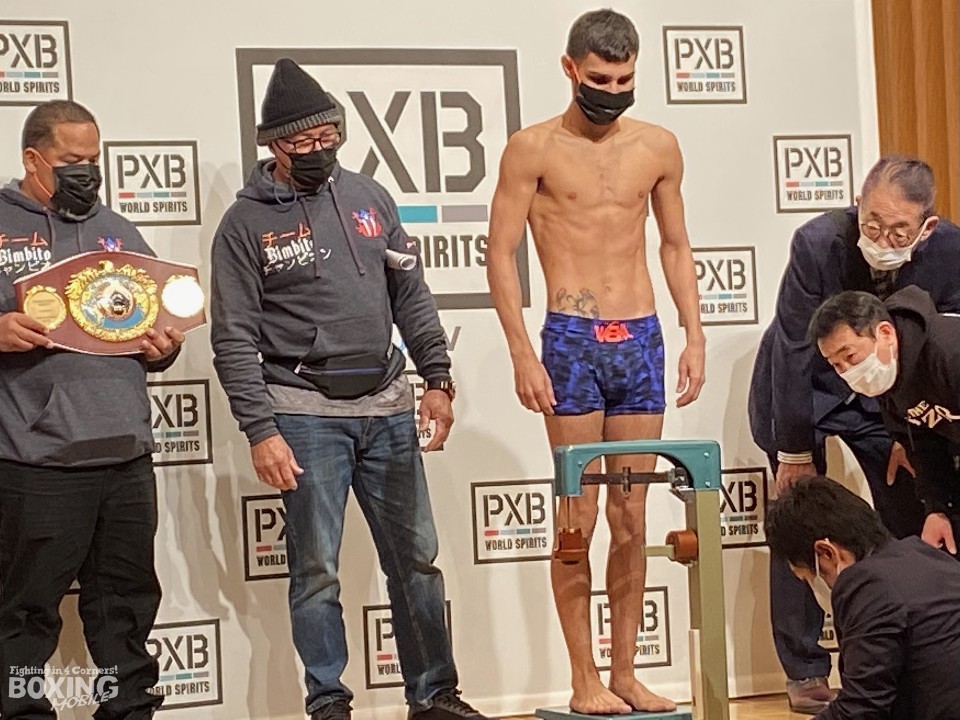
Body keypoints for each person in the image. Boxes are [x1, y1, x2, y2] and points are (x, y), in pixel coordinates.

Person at [210, 59, 487, 720]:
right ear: (273, 145)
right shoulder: (243, 225)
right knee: (316, 571)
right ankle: (329, 703)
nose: (317, 150)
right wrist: (261, 430)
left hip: (388, 405)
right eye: (301, 141)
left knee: (417, 561)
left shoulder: (371, 199)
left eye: (326, 136)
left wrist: (438, 380)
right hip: (302, 413)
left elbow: (411, 295)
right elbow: (233, 337)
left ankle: (434, 695)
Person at [486, 9, 704, 714]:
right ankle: (583, 679)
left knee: (633, 514)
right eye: (600, 78)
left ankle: (626, 672)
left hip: (639, 338)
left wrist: (694, 333)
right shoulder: (532, 149)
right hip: (571, 340)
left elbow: (674, 244)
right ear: (571, 69)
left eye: (624, 79)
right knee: (575, 514)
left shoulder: (658, 146)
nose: (613, 91)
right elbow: (500, 254)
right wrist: (522, 351)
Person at [747, 156, 960, 712]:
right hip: (810, 382)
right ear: (856, 205)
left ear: (927, 227)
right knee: (799, 515)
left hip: (890, 385)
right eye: (872, 224)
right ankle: (804, 668)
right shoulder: (817, 242)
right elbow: (794, 349)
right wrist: (795, 449)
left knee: (911, 508)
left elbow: (935, 344)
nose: (883, 240)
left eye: (899, 232)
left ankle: (903, 648)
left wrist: (909, 431)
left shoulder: (952, 250)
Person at [0, 101, 184, 720]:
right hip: (36, 460)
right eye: (70, 161)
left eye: (93, 160)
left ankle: (127, 711)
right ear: (33, 159)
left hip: (126, 454)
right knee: (25, 614)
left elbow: (155, 325)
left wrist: (163, 348)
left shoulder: (119, 231)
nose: (86, 172)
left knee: (126, 608)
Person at [765, 476, 960, 719]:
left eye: (806, 578)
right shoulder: (926, 556)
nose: (812, 589)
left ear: (826, 552)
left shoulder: (867, 586)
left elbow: (860, 710)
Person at [810, 286, 960, 555]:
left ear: (885, 333)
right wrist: (937, 509)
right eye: (836, 365)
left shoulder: (949, 352)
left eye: (850, 356)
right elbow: (923, 444)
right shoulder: (889, 380)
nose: (847, 372)